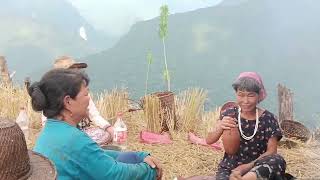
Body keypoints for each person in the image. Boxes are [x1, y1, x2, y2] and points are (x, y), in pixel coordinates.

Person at [29, 68, 162, 179]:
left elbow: (96, 155)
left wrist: (138, 156)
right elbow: (114, 175)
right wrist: (149, 169)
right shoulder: (73, 139)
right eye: (86, 94)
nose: (89, 99)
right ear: (68, 102)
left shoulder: (50, 132)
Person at [206, 72, 286, 180]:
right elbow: (209, 140)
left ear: (259, 96)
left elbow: (272, 151)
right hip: (230, 168)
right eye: (241, 95)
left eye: (251, 95)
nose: (245, 101)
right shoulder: (229, 114)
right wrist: (220, 126)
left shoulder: (269, 118)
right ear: (236, 94)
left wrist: (247, 167)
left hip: (257, 167)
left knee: (277, 159)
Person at [41, 56, 114, 144]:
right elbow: (47, 124)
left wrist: (108, 127)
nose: (77, 73)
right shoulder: (52, 98)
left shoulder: (82, 93)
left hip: (81, 133)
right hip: (67, 138)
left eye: (76, 70)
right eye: (72, 70)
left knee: (105, 136)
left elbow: (94, 115)